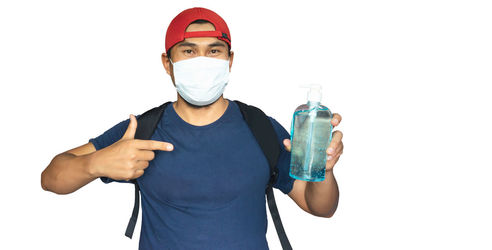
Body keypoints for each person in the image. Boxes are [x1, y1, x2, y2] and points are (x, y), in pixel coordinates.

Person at [41, 7, 344, 250]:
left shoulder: (261, 128)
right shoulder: (141, 131)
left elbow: (319, 206)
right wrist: (95, 163)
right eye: (188, 51)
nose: (202, 61)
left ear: (229, 60)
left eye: (214, 51)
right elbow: (51, 177)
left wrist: (324, 169)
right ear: (167, 63)